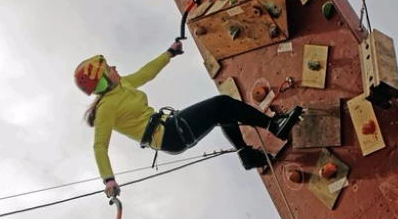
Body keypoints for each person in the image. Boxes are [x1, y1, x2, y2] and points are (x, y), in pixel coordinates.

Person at [73, 41, 303, 198]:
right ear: (102, 79)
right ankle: (275, 125)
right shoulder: (106, 108)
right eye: (108, 68)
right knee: (221, 104)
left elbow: (147, 72)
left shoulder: (123, 85)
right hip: (169, 134)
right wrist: (108, 180)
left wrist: (169, 53)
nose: (114, 67)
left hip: (170, 129)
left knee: (223, 114)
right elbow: (100, 147)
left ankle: (246, 154)